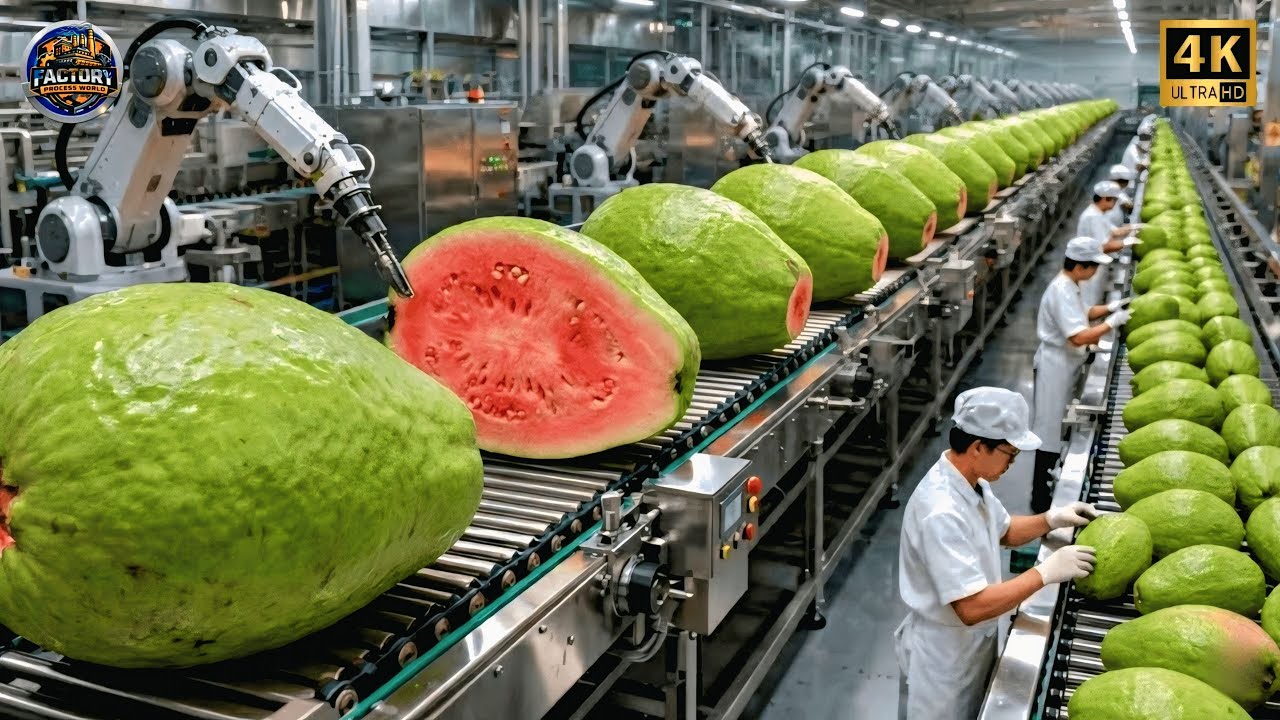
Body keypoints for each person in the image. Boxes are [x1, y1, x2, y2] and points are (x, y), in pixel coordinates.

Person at [896, 386, 1098, 720]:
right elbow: (971, 607)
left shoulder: (971, 481)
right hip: (944, 659)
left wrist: (1051, 519)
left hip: (973, 644)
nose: (1012, 462)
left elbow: (1003, 530)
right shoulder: (940, 511)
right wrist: (1044, 574)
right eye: (1010, 453)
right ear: (978, 447)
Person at [1031, 237, 1130, 512]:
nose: (1095, 272)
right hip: (1055, 365)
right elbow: (1077, 336)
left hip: (1066, 363)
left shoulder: (1070, 285)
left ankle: (1047, 483)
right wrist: (1111, 324)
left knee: (1057, 423)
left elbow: (1083, 314)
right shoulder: (1061, 289)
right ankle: (1040, 495)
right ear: (1080, 266)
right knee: (1048, 428)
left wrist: (1111, 308)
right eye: (1093, 267)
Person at [1076, 181, 1141, 307]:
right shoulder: (1093, 217)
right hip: (1089, 268)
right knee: (1090, 304)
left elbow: (1114, 232)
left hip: (1098, 266)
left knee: (1097, 299)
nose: (1115, 203)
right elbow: (1103, 247)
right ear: (1106, 198)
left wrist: (1134, 228)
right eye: (1114, 200)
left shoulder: (1100, 213)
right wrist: (1126, 243)